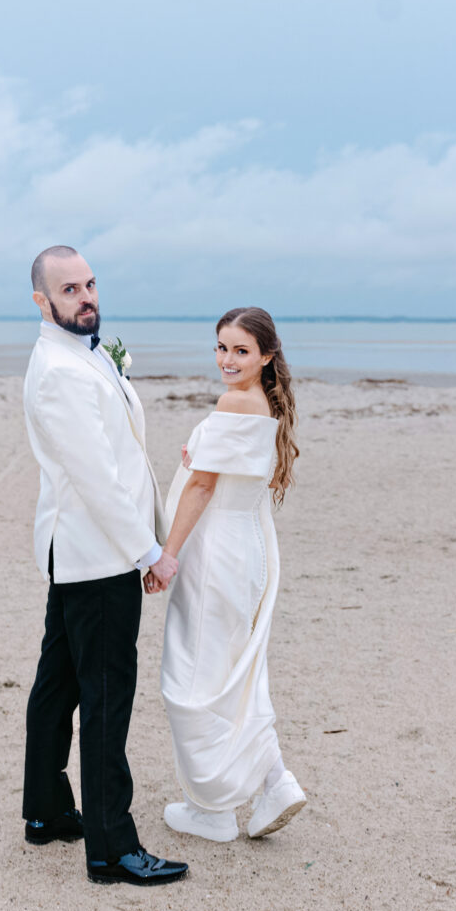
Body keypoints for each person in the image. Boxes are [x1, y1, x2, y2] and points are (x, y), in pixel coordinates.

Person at [21, 245, 188, 886]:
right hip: (98, 556)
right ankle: (112, 849)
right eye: (70, 289)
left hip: (79, 549)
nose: (87, 296)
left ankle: (45, 810)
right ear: (42, 301)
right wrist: (148, 551)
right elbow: (96, 478)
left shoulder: (80, 354)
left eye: (90, 284)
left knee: (59, 684)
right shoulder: (59, 372)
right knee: (106, 697)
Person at [147, 307, 306, 842]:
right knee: (232, 671)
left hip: (217, 553)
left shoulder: (235, 401)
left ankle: (212, 809)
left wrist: (167, 554)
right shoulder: (264, 401)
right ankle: (275, 780)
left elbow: (202, 486)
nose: (227, 360)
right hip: (247, 549)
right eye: (221, 347)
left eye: (241, 350)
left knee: (192, 679)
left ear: (266, 355)